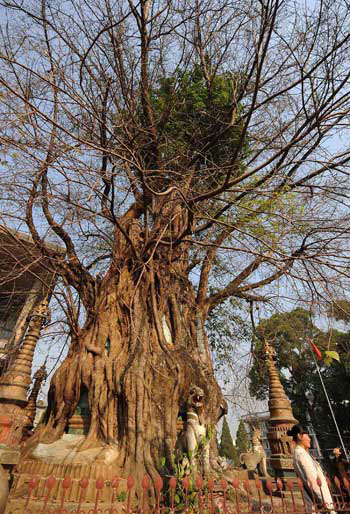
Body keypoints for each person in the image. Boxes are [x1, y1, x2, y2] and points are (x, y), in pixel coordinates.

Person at [287, 424, 336, 513]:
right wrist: (328, 506)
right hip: (322, 502)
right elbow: (313, 481)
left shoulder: (302, 453)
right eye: (308, 436)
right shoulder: (301, 455)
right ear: (299, 436)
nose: (310, 439)